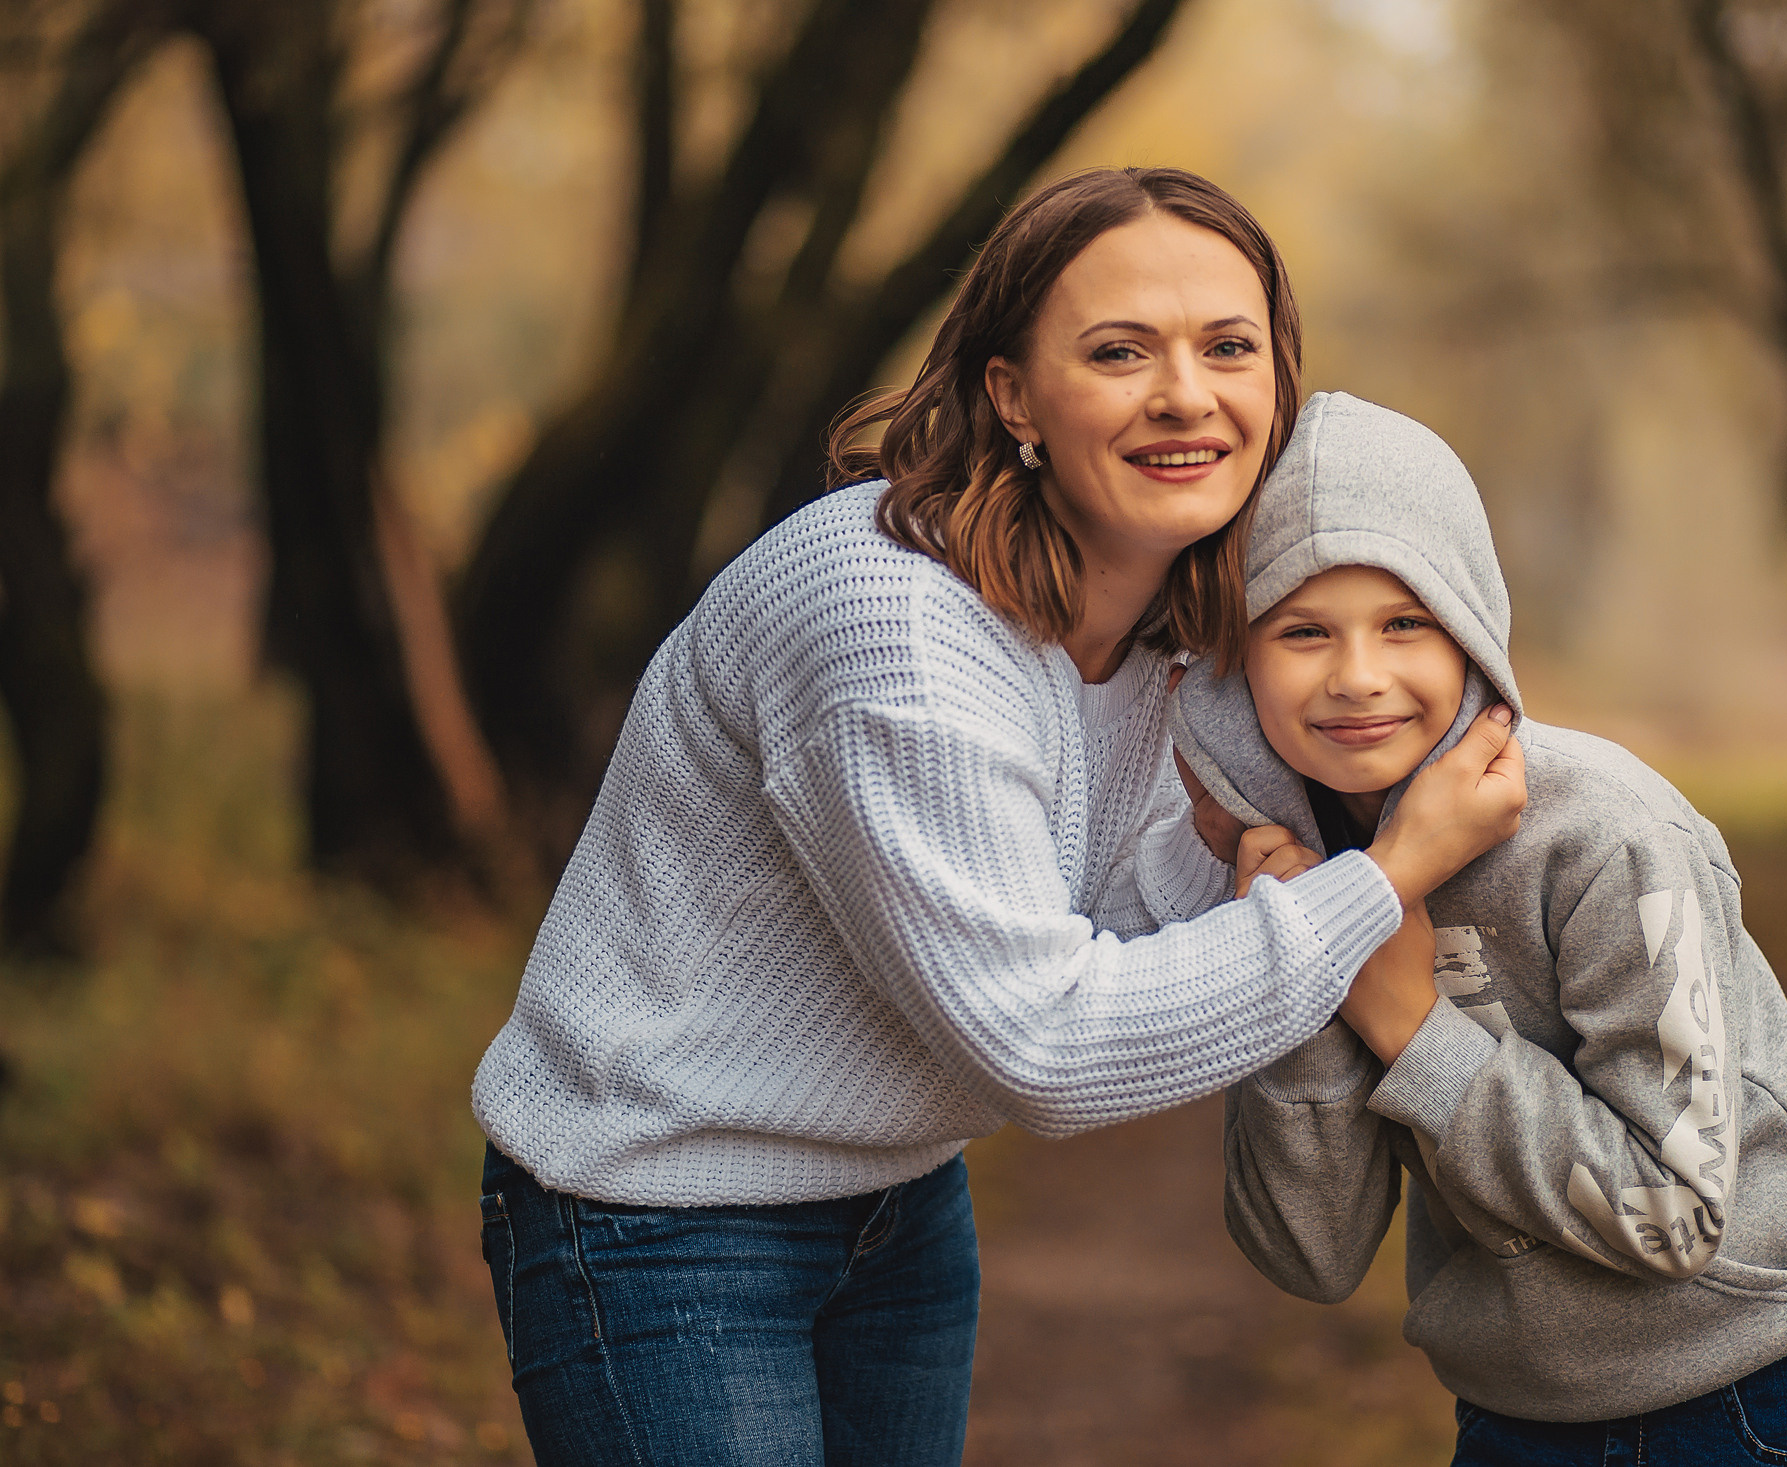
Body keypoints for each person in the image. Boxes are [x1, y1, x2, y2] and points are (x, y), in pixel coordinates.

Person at [467, 174, 1527, 1467]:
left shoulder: (1173, 626)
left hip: (900, 1197)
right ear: (1013, 394)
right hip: (661, 1205)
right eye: (1119, 351)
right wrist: (1380, 880)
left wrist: (1248, 857)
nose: (1185, 394)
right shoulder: (894, 628)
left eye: (1228, 347)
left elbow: (1109, 910)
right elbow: (1046, 1040)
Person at [1169, 392, 1787, 1466]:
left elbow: (1673, 1212)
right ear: (1240, 660)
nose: (1358, 676)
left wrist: (1413, 1024)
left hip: (1758, 1400)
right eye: (1302, 631)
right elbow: (1309, 1254)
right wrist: (1311, 953)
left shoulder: (1608, 834)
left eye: (1405, 622)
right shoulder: (1298, 871)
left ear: (1471, 624)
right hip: (1514, 1418)